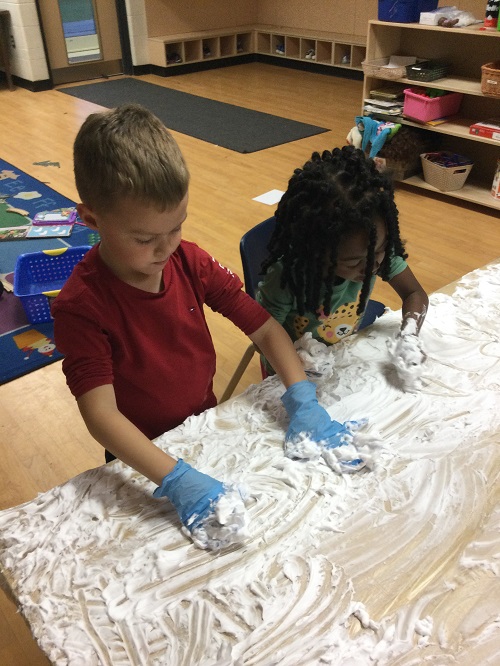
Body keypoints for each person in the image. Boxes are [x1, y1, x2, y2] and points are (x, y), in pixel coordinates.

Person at [52, 104, 358, 550]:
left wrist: (302, 395)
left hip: (200, 424)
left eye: (176, 227)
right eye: (144, 238)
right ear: (93, 219)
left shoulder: (188, 260)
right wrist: (176, 479)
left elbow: (264, 328)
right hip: (145, 453)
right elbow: (101, 416)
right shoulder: (82, 307)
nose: (164, 249)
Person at [256, 145, 429, 375]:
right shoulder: (287, 277)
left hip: (341, 353)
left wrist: (409, 334)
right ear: (317, 252)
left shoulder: (375, 252)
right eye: (354, 262)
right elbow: (261, 340)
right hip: (291, 368)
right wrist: (300, 354)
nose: (372, 267)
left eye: (381, 249)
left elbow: (414, 294)